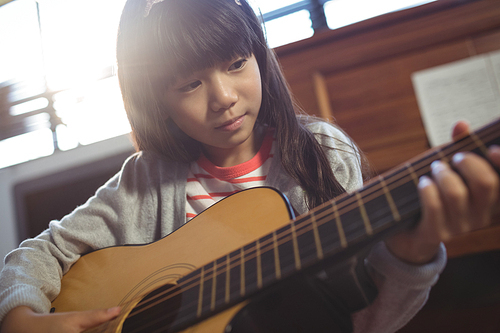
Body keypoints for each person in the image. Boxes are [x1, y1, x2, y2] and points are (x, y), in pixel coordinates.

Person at [0, 0, 499, 332]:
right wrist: (20, 315)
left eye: (236, 63)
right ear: (159, 104)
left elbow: (366, 322)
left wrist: (411, 252)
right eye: (189, 85)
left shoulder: (323, 154)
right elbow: (37, 253)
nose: (223, 98)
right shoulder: (146, 182)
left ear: (259, 57)